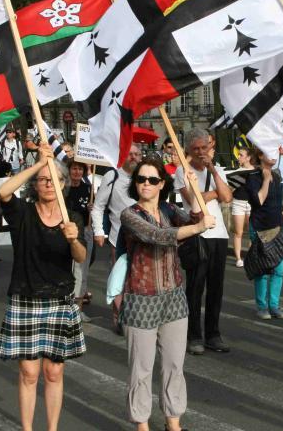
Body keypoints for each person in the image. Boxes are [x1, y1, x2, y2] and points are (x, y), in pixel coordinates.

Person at [0, 144, 86, 431]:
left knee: (54, 371)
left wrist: (73, 239)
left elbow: (80, 258)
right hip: (26, 297)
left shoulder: (73, 218)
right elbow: (4, 193)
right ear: (35, 184)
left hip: (59, 298)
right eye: (42, 180)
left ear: (63, 184)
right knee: (29, 371)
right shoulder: (23, 212)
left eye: (54, 179)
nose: (48, 184)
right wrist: (38, 164)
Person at [118, 157, 214, 431]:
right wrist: (197, 226)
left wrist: (193, 192)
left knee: (174, 365)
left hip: (174, 298)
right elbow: (159, 236)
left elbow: (195, 220)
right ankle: (142, 424)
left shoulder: (170, 209)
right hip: (141, 299)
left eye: (151, 179)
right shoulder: (130, 215)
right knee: (141, 369)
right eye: (140, 179)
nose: (145, 184)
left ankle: (174, 423)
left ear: (162, 183)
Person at [174, 128, 233, 356]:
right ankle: (194, 335)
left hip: (218, 235)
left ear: (210, 146)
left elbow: (227, 197)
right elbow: (192, 200)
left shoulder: (217, 169)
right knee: (195, 289)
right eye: (196, 149)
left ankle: (213, 334)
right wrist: (214, 193)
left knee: (216, 288)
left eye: (204, 147)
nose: (200, 152)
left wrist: (212, 172)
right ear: (188, 150)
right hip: (197, 234)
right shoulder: (182, 171)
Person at [91, 143, 141, 333]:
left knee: (138, 280)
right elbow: (98, 207)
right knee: (119, 279)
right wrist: (98, 231)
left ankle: (136, 315)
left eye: (137, 154)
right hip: (118, 239)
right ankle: (119, 318)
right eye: (131, 154)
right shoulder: (112, 176)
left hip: (142, 239)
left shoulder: (143, 177)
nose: (134, 158)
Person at [245, 148, 283, 320]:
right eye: (269, 152)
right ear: (260, 156)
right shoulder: (253, 177)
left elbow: (279, 201)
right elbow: (258, 200)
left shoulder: (277, 176)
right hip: (260, 227)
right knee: (262, 270)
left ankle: (274, 305)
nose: (274, 155)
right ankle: (262, 306)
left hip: (278, 226)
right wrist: (265, 179)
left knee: (279, 270)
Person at [66, 160, 93, 321]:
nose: (77, 172)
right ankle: (65, 307)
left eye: (80, 169)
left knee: (82, 272)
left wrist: (92, 207)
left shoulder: (88, 189)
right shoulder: (63, 188)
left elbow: (96, 209)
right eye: (74, 168)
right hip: (67, 234)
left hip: (84, 233)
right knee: (67, 270)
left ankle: (79, 309)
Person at [227, 146, 255, 267]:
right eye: (238, 155)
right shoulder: (236, 172)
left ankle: (251, 256)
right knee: (238, 232)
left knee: (252, 232)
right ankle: (238, 258)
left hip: (252, 203)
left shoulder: (255, 171)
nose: (238, 157)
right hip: (238, 202)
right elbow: (230, 188)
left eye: (241, 155)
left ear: (248, 157)